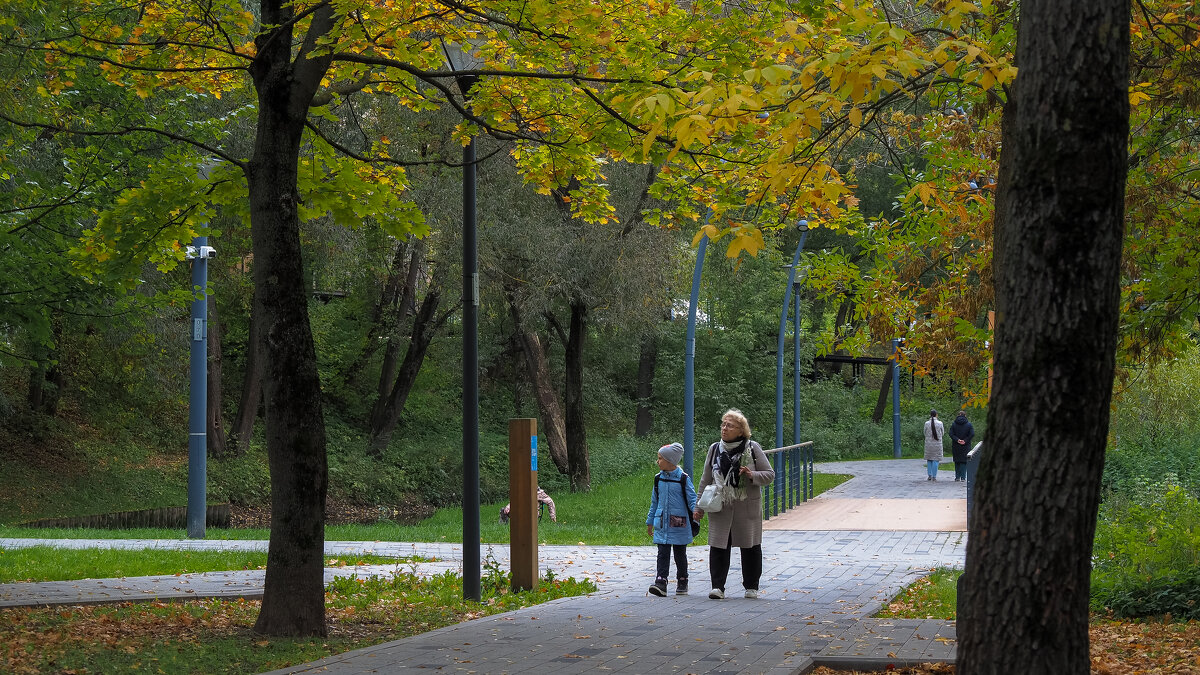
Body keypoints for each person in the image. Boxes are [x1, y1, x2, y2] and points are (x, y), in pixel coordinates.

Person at [692, 409, 775, 600]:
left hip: (746, 507)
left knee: (751, 547)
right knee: (719, 546)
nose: (724, 428)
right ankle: (717, 587)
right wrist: (698, 506)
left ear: (741, 430)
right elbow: (705, 480)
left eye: (730, 425)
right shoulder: (715, 449)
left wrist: (751, 475)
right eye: (723, 424)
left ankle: (751, 586)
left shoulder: (752, 448)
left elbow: (769, 474)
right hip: (721, 506)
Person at [646, 442, 698, 596]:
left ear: (670, 461)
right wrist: (650, 521)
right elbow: (654, 501)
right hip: (661, 523)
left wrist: (696, 511)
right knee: (662, 552)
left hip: (679, 522)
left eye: (660, 458)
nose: (658, 461)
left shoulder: (683, 479)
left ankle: (682, 580)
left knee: (679, 553)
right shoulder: (658, 479)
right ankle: (660, 581)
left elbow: (692, 498)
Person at [948, 410, 975, 482]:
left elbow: (951, 434)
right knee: (964, 461)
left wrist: (957, 440)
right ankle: (963, 477)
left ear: (958, 415)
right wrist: (965, 440)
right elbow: (972, 434)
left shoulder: (954, 424)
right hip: (965, 445)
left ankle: (957, 477)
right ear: (965, 416)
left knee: (957, 461)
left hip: (956, 445)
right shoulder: (969, 424)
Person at [924, 409, 945, 481]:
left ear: (930, 415)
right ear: (936, 415)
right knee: (936, 460)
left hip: (928, 444)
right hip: (937, 444)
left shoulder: (926, 423)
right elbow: (942, 433)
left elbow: (925, 433)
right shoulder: (940, 423)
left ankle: (929, 475)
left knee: (929, 459)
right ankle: (934, 476)